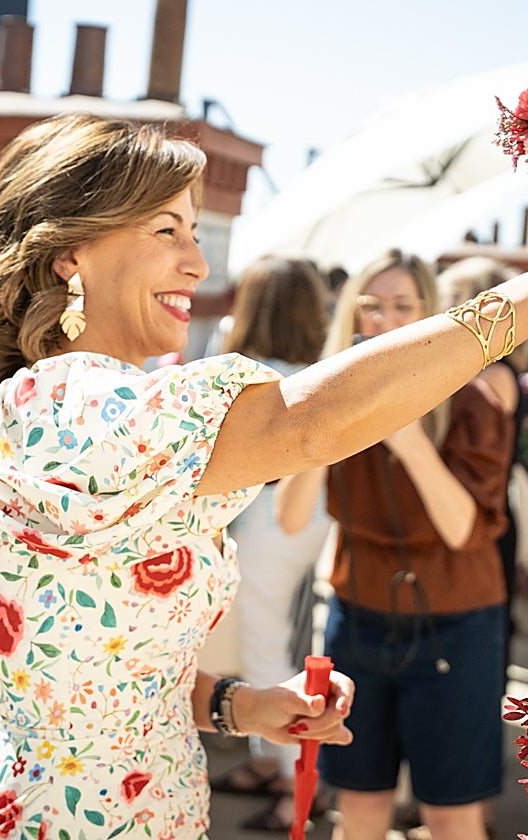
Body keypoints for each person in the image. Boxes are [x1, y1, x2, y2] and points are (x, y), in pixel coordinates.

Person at [0, 111, 528, 840]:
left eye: (195, 232)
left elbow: (99, 683)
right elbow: (313, 419)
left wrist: (242, 706)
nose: (197, 263)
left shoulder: (72, 408)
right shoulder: (68, 405)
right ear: (71, 254)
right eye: (166, 230)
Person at [276, 248, 518, 840]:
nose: (385, 321)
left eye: (403, 306)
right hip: (358, 618)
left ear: (431, 313)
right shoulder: (327, 390)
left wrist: (408, 439)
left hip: (456, 624)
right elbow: (289, 518)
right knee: (356, 805)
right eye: (371, 307)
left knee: (450, 811)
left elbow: (464, 528)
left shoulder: (473, 397)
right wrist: (325, 427)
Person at [206, 256, 334, 832]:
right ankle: (270, 762)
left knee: (265, 645)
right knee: (282, 634)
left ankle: (293, 779)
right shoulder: (315, 372)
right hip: (306, 521)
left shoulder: (249, 374)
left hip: (265, 528)